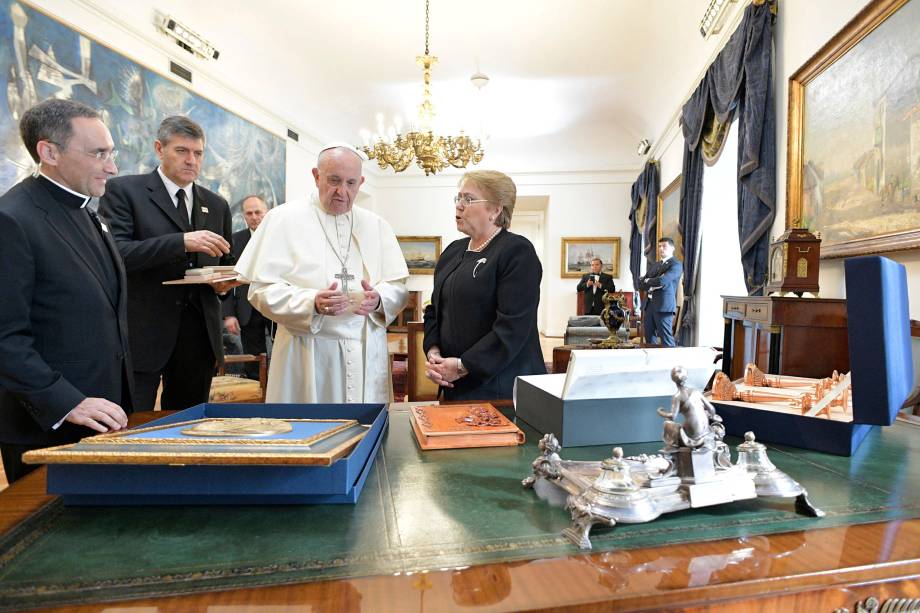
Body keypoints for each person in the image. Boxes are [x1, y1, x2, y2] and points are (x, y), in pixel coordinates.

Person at [0, 99, 132, 483]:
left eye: (111, 152)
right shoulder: (12, 219)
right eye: (99, 154)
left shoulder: (89, 212)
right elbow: (5, 338)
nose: (113, 167)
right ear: (49, 152)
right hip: (48, 424)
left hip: (103, 415)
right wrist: (67, 402)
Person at [234, 143, 408, 403]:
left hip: (364, 350)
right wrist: (311, 302)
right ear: (316, 176)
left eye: (351, 183)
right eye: (334, 181)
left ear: (360, 182)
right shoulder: (283, 219)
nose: (343, 192)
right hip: (305, 352)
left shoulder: (377, 226)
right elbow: (260, 290)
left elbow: (397, 286)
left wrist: (380, 299)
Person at [99, 115, 235, 411]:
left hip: (199, 338)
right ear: (159, 149)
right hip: (143, 332)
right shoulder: (124, 191)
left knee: (188, 426)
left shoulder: (217, 204)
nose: (192, 160)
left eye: (198, 153)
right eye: (182, 151)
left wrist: (226, 286)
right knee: (132, 424)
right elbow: (117, 254)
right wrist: (181, 241)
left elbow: (227, 262)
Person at [423, 170, 546, 400]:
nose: (459, 206)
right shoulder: (452, 252)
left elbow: (512, 327)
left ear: (495, 209)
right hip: (454, 384)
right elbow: (434, 310)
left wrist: (462, 365)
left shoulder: (517, 251)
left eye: (468, 199)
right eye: (458, 198)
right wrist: (434, 352)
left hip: (501, 387)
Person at [223, 194, 273, 380]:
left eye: (258, 212)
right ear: (244, 216)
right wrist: (228, 314)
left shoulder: (281, 238)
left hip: (275, 303)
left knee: (280, 354)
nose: (254, 216)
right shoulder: (235, 241)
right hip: (246, 308)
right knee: (253, 360)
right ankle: (255, 396)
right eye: (249, 213)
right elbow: (227, 279)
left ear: (267, 213)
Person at [638, 237, 683, 347]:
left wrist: (648, 280)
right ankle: (652, 362)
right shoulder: (656, 265)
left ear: (672, 248)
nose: (661, 249)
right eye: (659, 246)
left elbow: (663, 280)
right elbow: (641, 283)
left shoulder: (676, 264)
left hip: (664, 306)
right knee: (649, 337)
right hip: (649, 305)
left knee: (666, 338)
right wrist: (651, 282)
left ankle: (671, 362)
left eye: (664, 246)